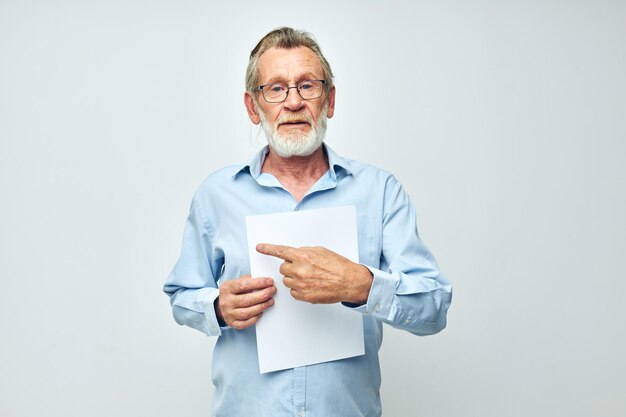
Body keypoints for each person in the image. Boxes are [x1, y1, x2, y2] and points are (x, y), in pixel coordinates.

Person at [164, 27, 452, 417]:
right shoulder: (216, 195)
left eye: (307, 86)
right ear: (254, 107)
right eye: (276, 89)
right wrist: (216, 308)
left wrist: (361, 285)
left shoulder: (380, 191)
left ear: (329, 100)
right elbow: (182, 294)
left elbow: (434, 308)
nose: (294, 102)